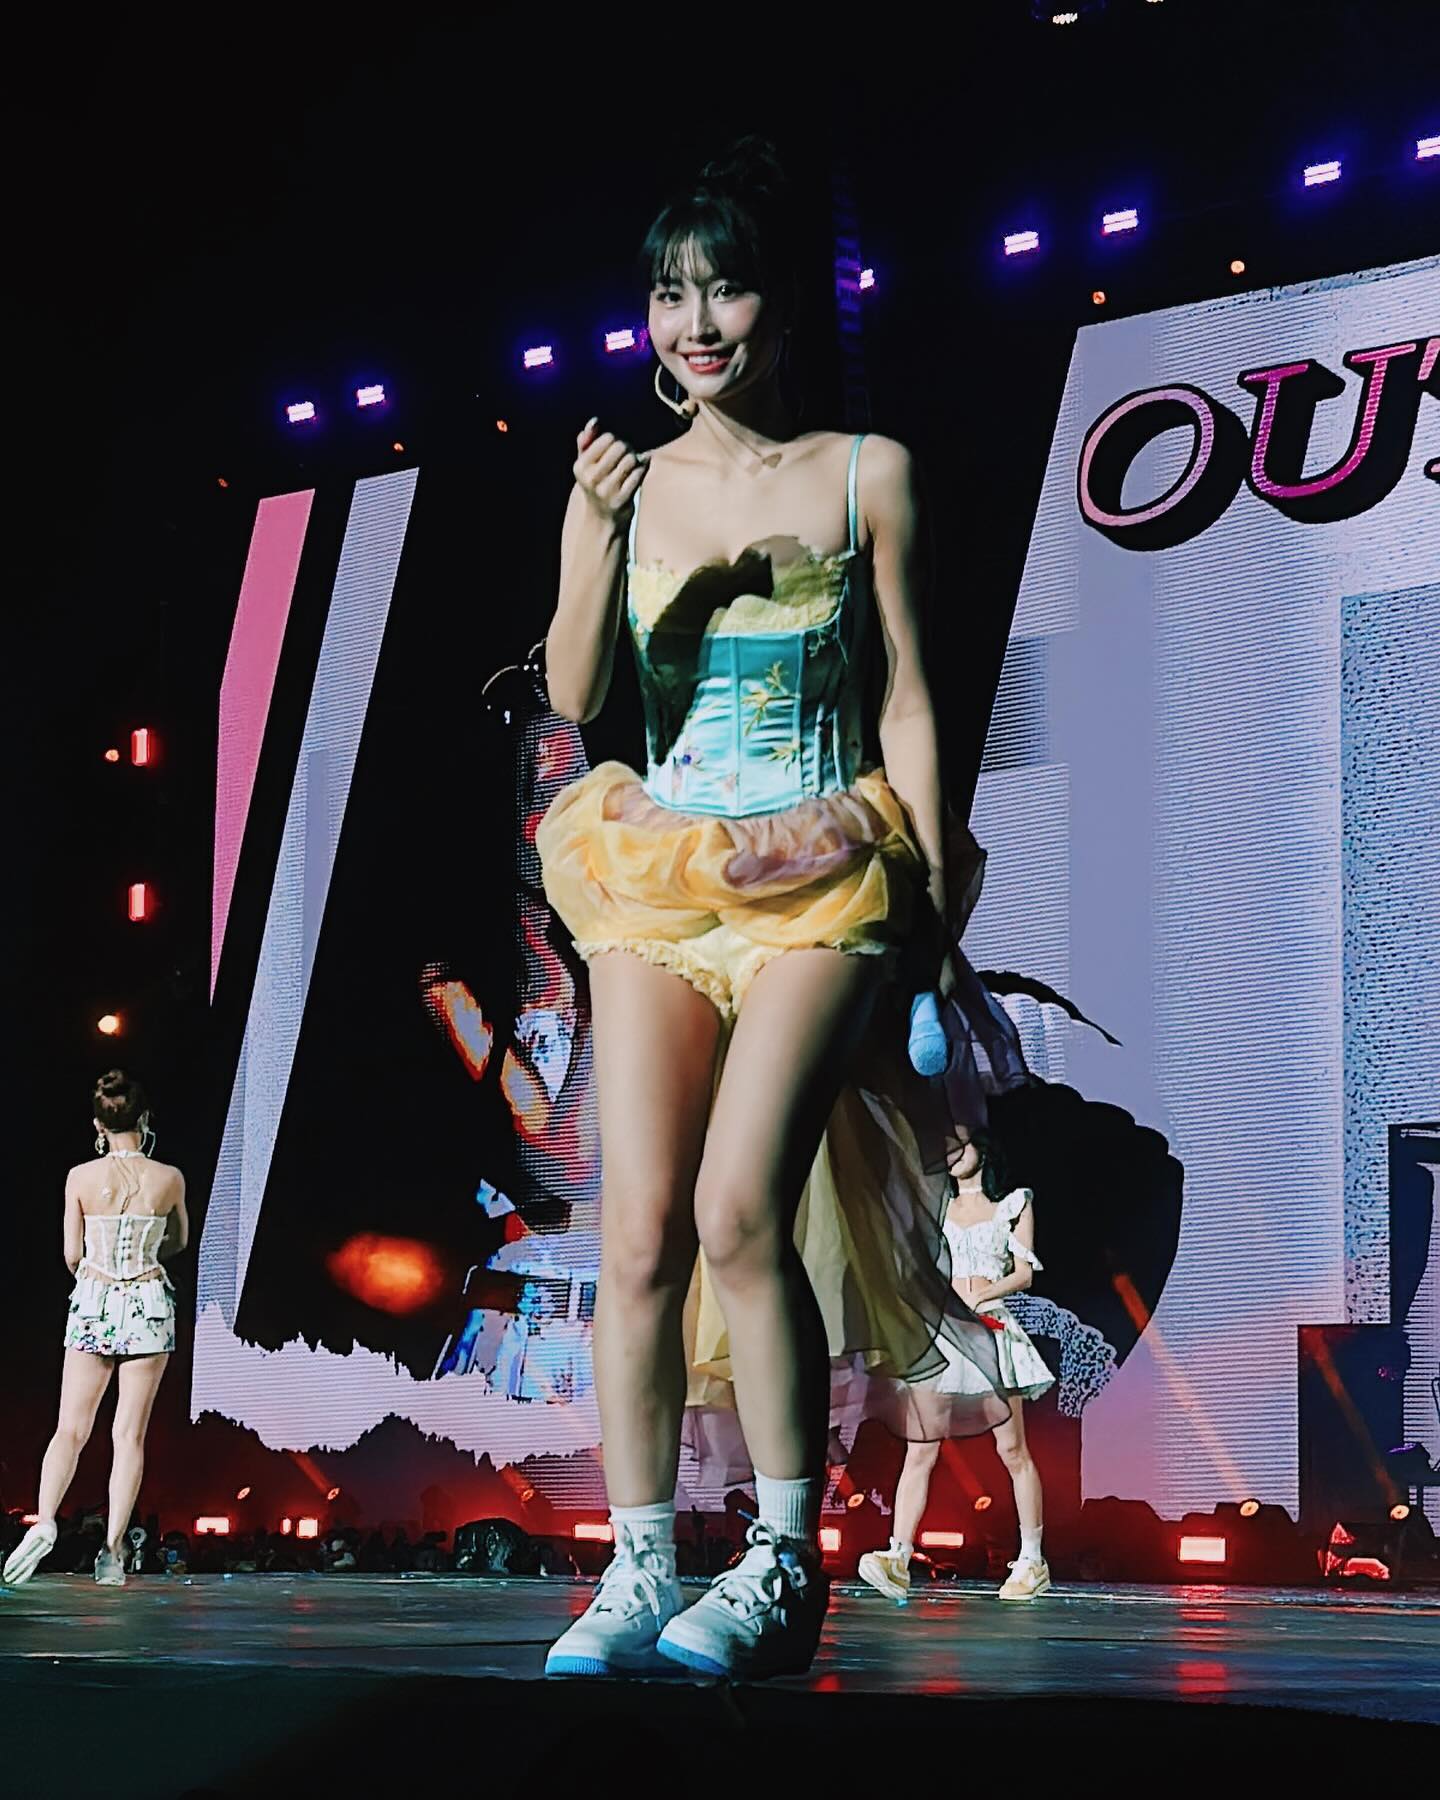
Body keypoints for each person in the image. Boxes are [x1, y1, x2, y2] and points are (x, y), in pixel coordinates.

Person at [536, 139, 1009, 1681]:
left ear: (782, 304)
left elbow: (913, 693)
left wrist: (929, 885)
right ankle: (636, 1567)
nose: (695, 322)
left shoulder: (867, 472)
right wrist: (594, 535)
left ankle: (785, 1561)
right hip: (665, 864)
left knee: (740, 1208)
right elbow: (578, 694)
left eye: (725, 288)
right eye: (670, 294)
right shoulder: (624, 484)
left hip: (822, 865)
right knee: (636, 1233)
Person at [2, 1071, 187, 1589]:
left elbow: (71, 1253)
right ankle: (112, 1552)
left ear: (98, 1125)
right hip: (148, 1301)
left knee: (71, 1428)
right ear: (144, 1118)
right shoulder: (169, 1177)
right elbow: (179, 1240)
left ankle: (44, 1520)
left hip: (95, 1299)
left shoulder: (79, 1177)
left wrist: (99, 1275)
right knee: (128, 1435)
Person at [859, 1131, 1054, 1604]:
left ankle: (1032, 1559)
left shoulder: (1013, 1203)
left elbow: (1024, 1274)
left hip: (990, 1330)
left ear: (983, 1148)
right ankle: (898, 1556)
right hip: (947, 1336)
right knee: (920, 1449)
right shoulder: (937, 1207)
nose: (949, 1153)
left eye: (959, 1144)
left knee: (1013, 1450)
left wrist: (980, 1296)